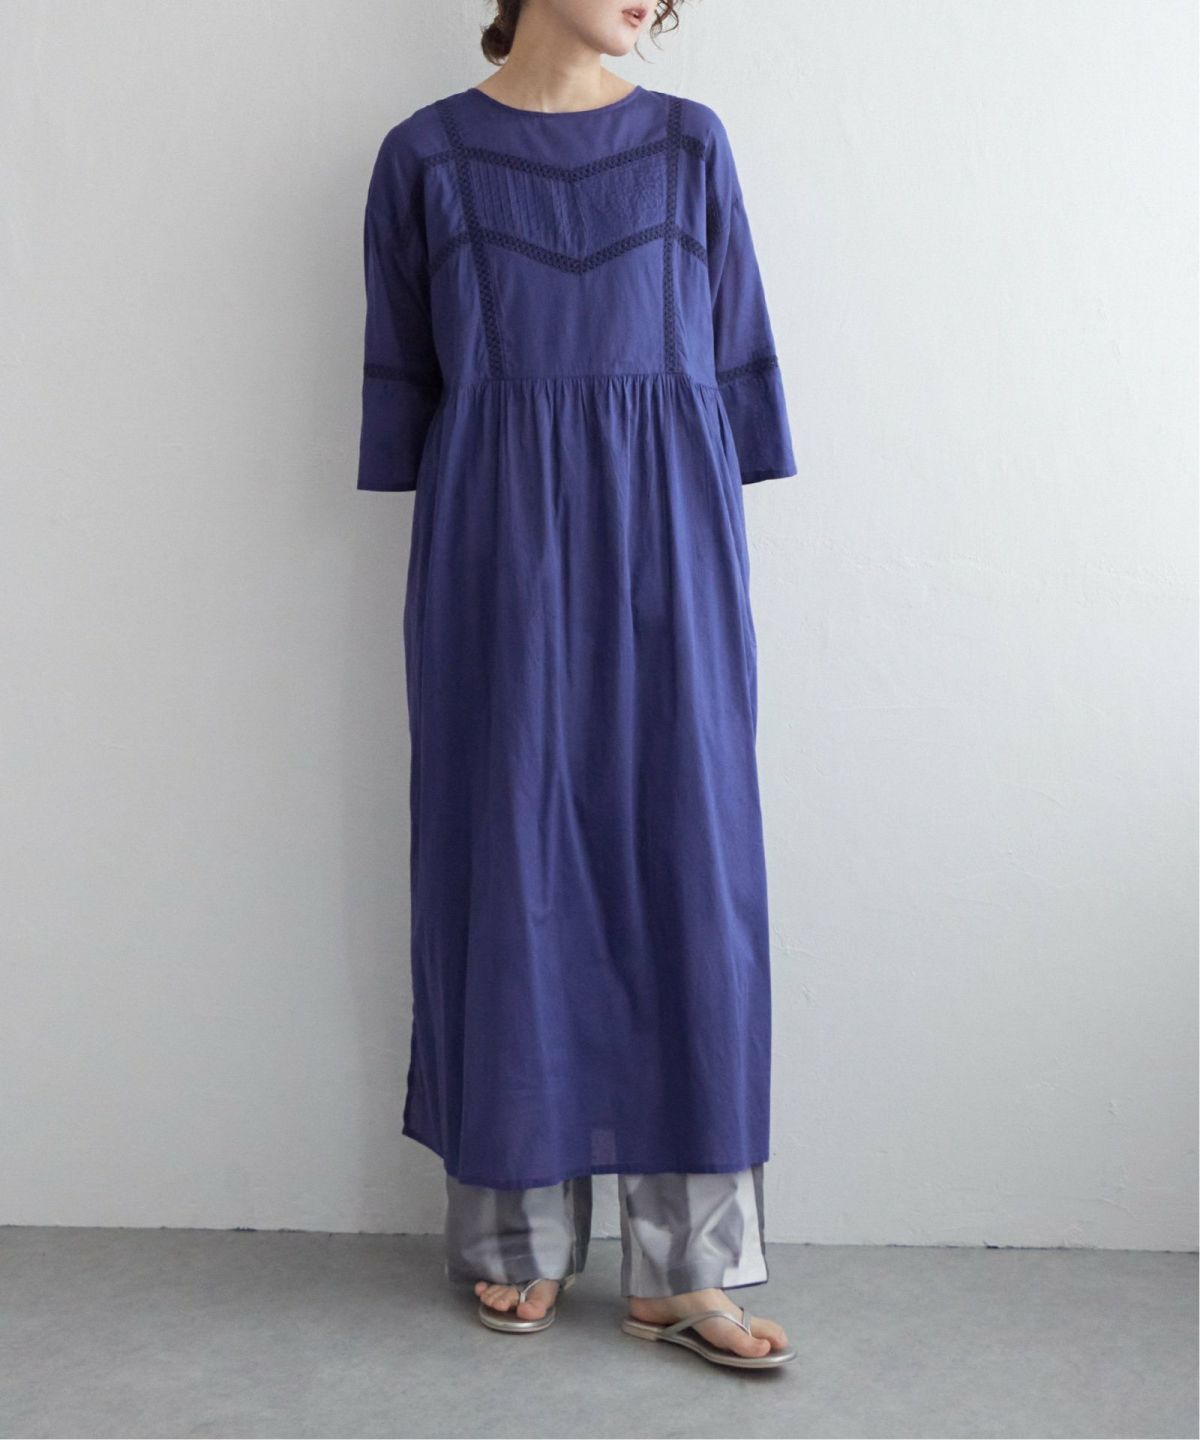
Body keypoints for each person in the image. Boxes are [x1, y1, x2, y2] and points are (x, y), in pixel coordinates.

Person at [356, 0, 798, 1369]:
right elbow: (411, 384)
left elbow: (732, 366)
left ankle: (687, 1267)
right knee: (509, 858)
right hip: (497, 538)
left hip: (673, 531)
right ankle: (517, 1236)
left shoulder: (690, 144)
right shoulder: (424, 155)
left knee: (690, 863)